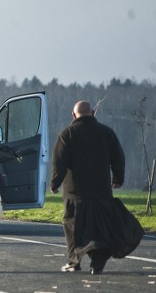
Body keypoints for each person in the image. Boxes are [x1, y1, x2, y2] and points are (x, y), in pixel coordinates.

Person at [51, 100, 130, 275]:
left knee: (72, 225)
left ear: (73, 115)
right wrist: (118, 178)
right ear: (93, 113)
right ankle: (97, 262)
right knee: (99, 226)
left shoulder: (68, 133)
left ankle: (74, 261)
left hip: (75, 192)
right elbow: (118, 157)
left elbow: (59, 162)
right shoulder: (106, 133)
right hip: (101, 190)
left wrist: (55, 183)